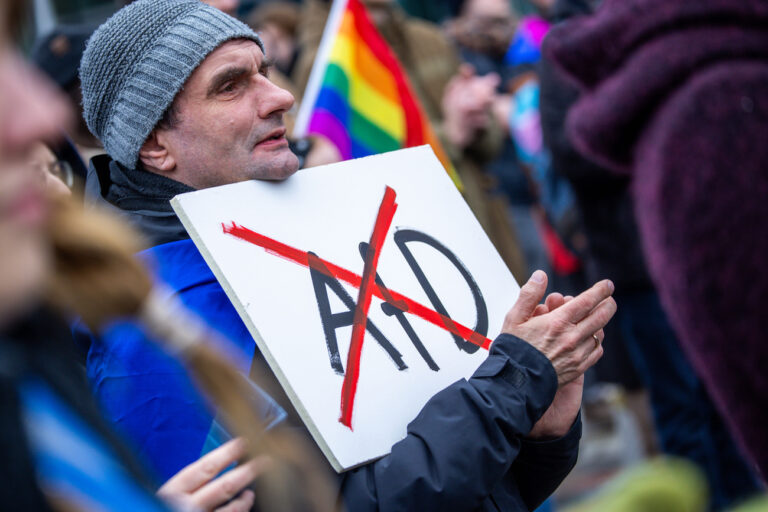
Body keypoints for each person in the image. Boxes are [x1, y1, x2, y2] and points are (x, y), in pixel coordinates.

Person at [78, 1, 617, 510]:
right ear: (155, 147)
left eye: (263, 70)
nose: (278, 97)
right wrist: (513, 385)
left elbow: (449, 483)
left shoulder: (311, 226)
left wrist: (541, 436)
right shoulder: (150, 330)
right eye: (230, 85)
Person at [545, 0, 768, 490]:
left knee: (720, 403)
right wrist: (644, 148)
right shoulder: (579, 48)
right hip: (635, 264)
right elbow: (570, 149)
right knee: (681, 405)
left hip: (658, 248)